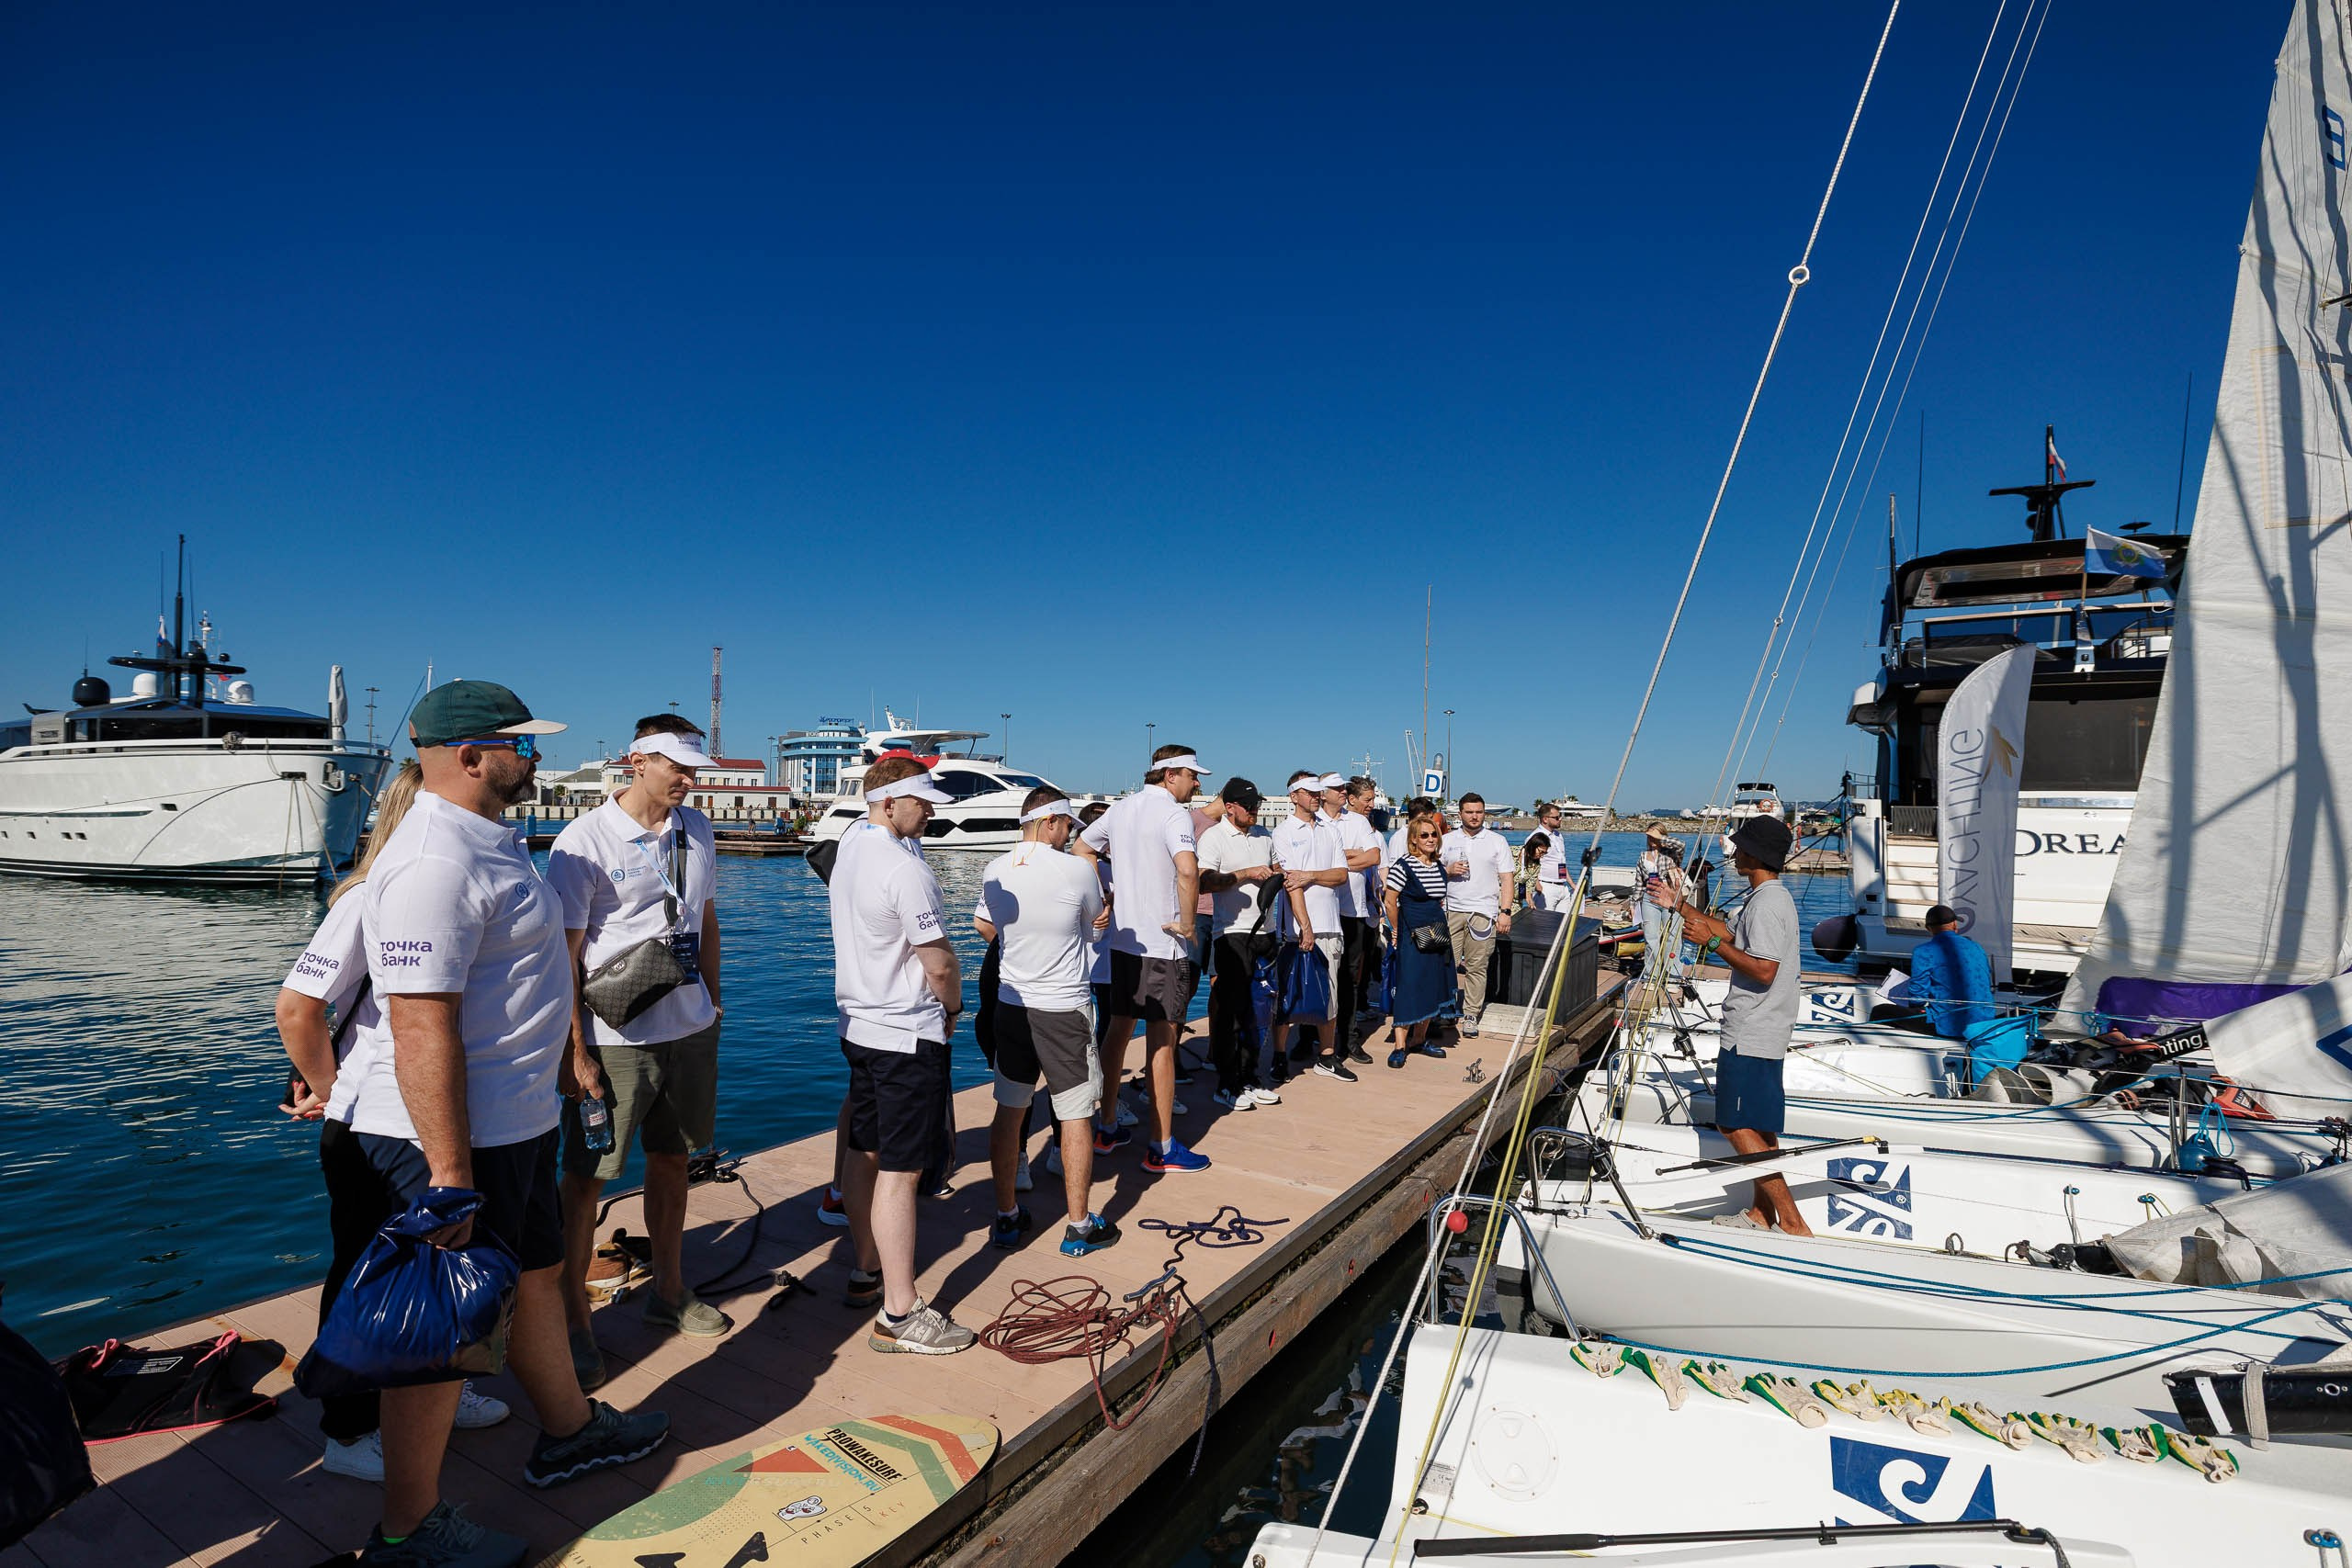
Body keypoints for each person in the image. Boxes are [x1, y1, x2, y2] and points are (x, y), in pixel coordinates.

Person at [345, 681, 668, 1566]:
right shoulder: (433, 862)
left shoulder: (487, 842)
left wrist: (562, 1065)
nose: (533, 758)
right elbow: (418, 1021)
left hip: (509, 1124)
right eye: (519, 744)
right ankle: (409, 1528)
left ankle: (568, 1429)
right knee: (442, 1327)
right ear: (469, 754)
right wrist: (449, 1175)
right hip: (451, 1139)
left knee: (533, 1272)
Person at [279, 763, 513, 1484]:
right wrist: (330, 1086)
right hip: (372, 1124)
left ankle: (440, 1382)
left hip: (416, 1115)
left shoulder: (423, 887)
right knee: (363, 1267)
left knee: (433, 1266)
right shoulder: (366, 896)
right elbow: (297, 1005)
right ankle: (348, 1429)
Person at [546, 716, 729, 1394]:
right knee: (587, 1177)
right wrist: (575, 1050)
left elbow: (704, 920)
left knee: (676, 1158)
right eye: (675, 765)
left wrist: (714, 1002)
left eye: (693, 767)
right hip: (612, 1036)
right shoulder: (582, 842)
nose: (688, 778)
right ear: (636, 761)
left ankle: (669, 1290)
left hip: (688, 1025)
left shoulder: (698, 828)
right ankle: (571, 1318)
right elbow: (561, 955)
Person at [827, 753, 977, 1352]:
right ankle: (900, 1311)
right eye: (924, 800)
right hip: (905, 1032)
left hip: (859, 1026)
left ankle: (867, 1266)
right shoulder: (903, 867)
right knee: (902, 1169)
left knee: (864, 1148)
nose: (933, 810)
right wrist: (956, 1006)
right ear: (890, 802)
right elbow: (937, 960)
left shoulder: (850, 846)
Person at [973, 788, 1122, 1258]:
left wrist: (1024, 944)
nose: (1070, 833)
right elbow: (1091, 927)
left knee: (1010, 1106)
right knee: (1076, 1112)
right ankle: (1078, 1226)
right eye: (1068, 826)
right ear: (1051, 821)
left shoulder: (994, 868)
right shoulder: (1079, 869)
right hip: (1062, 1005)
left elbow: (985, 925)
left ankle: (1006, 1216)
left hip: (1011, 1004)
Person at [1653, 815, 1811, 1236]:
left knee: (1735, 1124)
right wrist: (1679, 907)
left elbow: (1762, 970)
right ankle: (1762, 1214)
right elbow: (1731, 933)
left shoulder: (1768, 904)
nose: (1734, 852)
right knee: (1759, 1124)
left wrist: (1710, 943)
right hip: (1765, 1028)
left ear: (1755, 855)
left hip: (1752, 1029)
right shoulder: (1768, 899)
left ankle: (1794, 1223)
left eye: (1740, 847)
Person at [1074, 745, 1210, 1173]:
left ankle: (1107, 1125)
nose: (1197, 783)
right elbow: (1188, 870)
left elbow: (1082, 847)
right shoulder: (1173, 814)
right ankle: (1162, 1146)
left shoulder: (1119, 810)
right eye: (1192, 775)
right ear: (1170, 776)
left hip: (1122, 943)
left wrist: (1101, 896)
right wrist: (1188, 924)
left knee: (1116, 1032)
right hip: (1162, 943)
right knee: (1163, 1043)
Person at [1194, 778, 1283, 1111]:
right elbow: (1204, 882)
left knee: (1259, 1011)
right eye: (1248, 806)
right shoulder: (1214, 837)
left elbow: (1274, 870)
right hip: (1231, 934)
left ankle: (1250, 1076)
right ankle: (1226, 1083)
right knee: (1231, 1012)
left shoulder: (1265, 836)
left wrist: (1278, 876)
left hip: (1266, 932)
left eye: (1256, 804)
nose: (1254, 810)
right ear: (1229, 807)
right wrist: (1245, 874)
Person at [1269, 771, 1353, 1082]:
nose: (1316, 797)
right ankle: (1278, 1055)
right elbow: (1291, 882)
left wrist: (1311, 875)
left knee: (1329, 993)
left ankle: (1327, 1056)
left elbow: (1340, 875)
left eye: (1319, 792)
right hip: (1295, 929)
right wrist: (1304, 925)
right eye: (1309, 792)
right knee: (1287, 995)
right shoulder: (1283, 832)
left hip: (1330, 925)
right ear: (1294, 796)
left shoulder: (1331, 831)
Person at [1382, 813, 1456, 1068]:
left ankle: (1419, 1039)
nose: (1430, 839)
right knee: (1409, 985)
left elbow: (1439, 901)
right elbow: (1390, 901)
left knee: (1433, 985)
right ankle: (1400, 1045)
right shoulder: (1403, 865)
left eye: (1434, 834)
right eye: (1424, 835)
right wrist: (1395, 929)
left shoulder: (1437, 866)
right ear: (1413, 839)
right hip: (1411, 932)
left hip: (1437, 931)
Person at [1439, 794, 1516, 1037]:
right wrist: (1448, 871)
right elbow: (1430, 872)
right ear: (1459, 814)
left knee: (1477, 966)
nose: (1474, 816)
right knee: (1445, 964)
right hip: (1451, 910)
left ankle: (1471, 1014)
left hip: (1483, 912)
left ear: (1485, 814)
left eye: (1479, 812)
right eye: (1469, 812)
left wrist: (1505, 912)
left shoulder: (1497, 841)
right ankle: (1447, 1010)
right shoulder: (1446, 840)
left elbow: (1507, 879)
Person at [1330, 777, 1386, 1049]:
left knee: (1352, 976)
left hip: (1356, 910)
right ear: (1351, 799)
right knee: (1324, 975)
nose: (1372, 805)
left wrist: (1336, 861)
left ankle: (1349, 1038)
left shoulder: (1360, 824)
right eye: (1368, 799)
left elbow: (1373, 858)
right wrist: (1351, 856)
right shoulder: (1321, 821)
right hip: (1327, 912)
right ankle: (1311, 1039)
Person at [1904, 904, 1996, 1038]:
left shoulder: (1923, 951)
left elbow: (1917, 996)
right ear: (1954, 925)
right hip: (1984, 1023)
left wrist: (1915, 1005)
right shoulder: (1976, 947)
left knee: (1882, 1011)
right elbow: (1985, 979)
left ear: (1928, 928)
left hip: (1951, 1026)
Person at [1635, 828, 1689, 981]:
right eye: (1649, 836)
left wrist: (1660, 838)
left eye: (1653, 836)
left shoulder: (1672, 853)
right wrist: (1634, 903)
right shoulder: (1643, 856)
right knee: (1651, 938)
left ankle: (1673, 977)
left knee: (1673, 937)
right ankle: (1651, 976)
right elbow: (1639, 882)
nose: (1651, 840)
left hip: (1670, 896)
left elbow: (1681, 844)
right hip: (1649, 897)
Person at [1531, 804, 1573, 908]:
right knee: (1544, 923)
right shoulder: (1535, 837)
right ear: (1545, 819)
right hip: (1545, 886)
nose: (1560, 819)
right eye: (1557, 817)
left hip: (1562, 886)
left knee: (1564, 923)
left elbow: (1561, 861)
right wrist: (1537, 886)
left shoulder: (1558, 836)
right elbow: (1529, 864)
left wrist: (1571, 884)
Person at [1517, 834, 1552, 915]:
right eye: (1541, 852)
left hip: (1517, 902)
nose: (1542, 856)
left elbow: (1528, 889)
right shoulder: (1510, 852)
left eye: (1544, 853)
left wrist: (1530, 902)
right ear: (1533, 845)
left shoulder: (1536, 866)